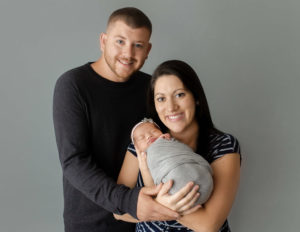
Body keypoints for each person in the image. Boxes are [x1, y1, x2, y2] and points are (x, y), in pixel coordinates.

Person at [53, 8, 197, 232]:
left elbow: (175, 140)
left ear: (148, 50)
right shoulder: (73, 85)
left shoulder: (152, 89)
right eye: (120, 41)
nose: (128, 53)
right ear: (103, 41)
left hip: (147, 222)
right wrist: (128, 201)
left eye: (138, 45)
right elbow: (74, 161)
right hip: (91, 224)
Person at [116, 60, 241, 231]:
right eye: (161, 99)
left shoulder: (223, 146)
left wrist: (155, 204)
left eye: (180, 95)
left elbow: (207, 225)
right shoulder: (142, 145)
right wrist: (158, 204)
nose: (171, 107)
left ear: (196, 98)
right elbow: (118, 210)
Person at [130, 118, 213, 205]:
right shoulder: (144, 157)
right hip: (175, 187)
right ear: (137, 148)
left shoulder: (168, 140)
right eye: (141, 138)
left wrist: (168, 141)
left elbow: (183, 150)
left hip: (199, 173)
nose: (149, 136)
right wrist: (144, 167)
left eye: (153, 131)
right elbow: (151, 187)